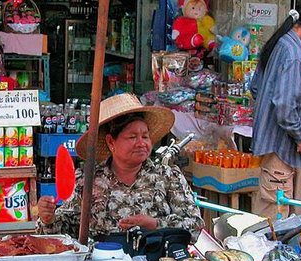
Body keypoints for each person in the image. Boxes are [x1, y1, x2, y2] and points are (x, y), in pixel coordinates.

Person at [36, 93, 204, 241]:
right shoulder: (87, 180)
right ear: (111, 142)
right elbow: (65, 232)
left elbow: (195, 226)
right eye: (132, 137)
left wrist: (156, 224)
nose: (141, 143)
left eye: (145, 136)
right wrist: (48, 218)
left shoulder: (168, 176)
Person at [249, 1, 301, 218]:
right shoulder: (293, 53)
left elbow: (256, 87)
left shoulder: (281, 43)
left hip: (279, 148)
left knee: (296, 211)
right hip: (281, 148)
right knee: (273, 218)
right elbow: (285, 107)